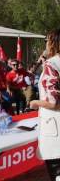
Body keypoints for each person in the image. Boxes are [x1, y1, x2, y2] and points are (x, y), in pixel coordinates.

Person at [30, 29, 60, 181]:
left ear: (53, 42)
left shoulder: (51, 64)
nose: (45, 45)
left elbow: (53, 102)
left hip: (55, 131)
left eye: (46, 41)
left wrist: (35, 102)